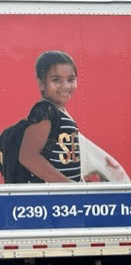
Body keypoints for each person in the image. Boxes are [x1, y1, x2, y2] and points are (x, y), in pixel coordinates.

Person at [19, 51, 82, 183]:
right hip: (51, 197)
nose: (65, 86)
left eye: (71, 80)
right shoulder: (45, 110)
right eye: (56, 80)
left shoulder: (62, 112)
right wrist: (67, 185)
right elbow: (28, 156)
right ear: (42, 84)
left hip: (65, 195)